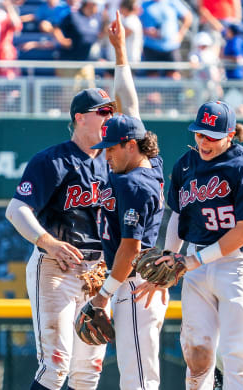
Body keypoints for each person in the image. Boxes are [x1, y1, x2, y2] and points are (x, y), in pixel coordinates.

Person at [5, 14, 142, 385]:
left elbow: (132, 112)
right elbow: (15, 209)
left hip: (98, 274)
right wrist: (46, 242)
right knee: (56, 365)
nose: (109, 118)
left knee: (88, 372)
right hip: (56, 267)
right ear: (80, 118)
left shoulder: (116, 159)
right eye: (103, 113)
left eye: (110, 113)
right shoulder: (53, 159)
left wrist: (120, 53)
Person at [135, 100, 243, 389]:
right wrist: (170, 259)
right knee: (197, 353)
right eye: (199, 134)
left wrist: (191, 262)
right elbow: (179, 216)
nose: (204, 141)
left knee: (236, 353)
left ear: (230, 135)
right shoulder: (186, 164)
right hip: (194, 262)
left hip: (237, 265)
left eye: (212, 136)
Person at [84, 12, 167, 390]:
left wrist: (102, 296)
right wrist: (120, 52)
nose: (106, 155)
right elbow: (130, 107)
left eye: (111, 148)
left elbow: (131, 249)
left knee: (138, 379)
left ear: (130, 146)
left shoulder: (133, 183)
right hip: (133, 283)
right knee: (138, 374)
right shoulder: (151, 164)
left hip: (133, 283)